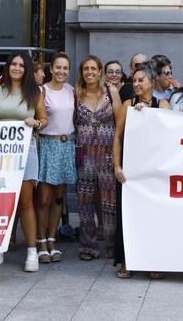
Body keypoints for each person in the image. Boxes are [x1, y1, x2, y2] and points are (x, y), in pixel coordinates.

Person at [0, 50, 46, 272]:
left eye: (21, 65)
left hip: (25, 150)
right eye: (13, 64)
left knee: (26, 201)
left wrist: (36, 122)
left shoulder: (34, 92)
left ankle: (31, 251)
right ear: (8, 67)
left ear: (26, 69)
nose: (17, 68)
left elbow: (44, 119)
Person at [112, 63, 170, 279]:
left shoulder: (162, 103)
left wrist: (148, 114)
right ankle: (127, 261)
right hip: (130, 171)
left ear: (152, 83)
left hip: (153, 170)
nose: (136, 84)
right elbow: (117, 137)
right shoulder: (128, 104)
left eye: (140, 80)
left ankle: (153, 261)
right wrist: (117, 166)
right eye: (134, 80)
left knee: (153, 215)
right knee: (128, 215)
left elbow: (168, 129)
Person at [74, 55, 119, 262]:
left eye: (93, 68)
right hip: (85, 155)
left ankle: (112, 244)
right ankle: (88, 245)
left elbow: (120, 124)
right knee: (85, 202)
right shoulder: (76, 94)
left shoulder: (111, 91)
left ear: (100, 71)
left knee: (109, 202)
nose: (89, 72)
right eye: (86, 69)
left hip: (108, 153)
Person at [36, 52, 76, 265]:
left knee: (59, 196)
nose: (61, 71)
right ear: (51, 69)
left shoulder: (71, 91)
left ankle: (52, 239)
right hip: (48, 144)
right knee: (44, 197)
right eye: (58, 67)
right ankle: (40, 240)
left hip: (66, 144)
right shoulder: (42, 90)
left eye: (65, 68)